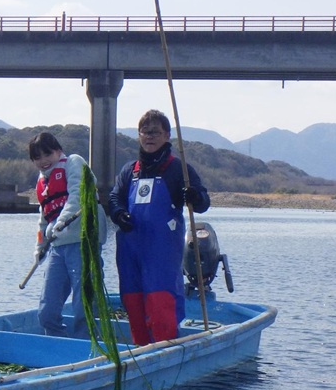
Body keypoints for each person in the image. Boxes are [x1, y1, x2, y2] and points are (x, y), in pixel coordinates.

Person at [108, 109, 211, 345]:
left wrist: (193, 196)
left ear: (167, 135)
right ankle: (140, 348)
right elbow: (115, 198)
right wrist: (118, 213)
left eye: (155, 132)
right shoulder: (129, 170)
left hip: (161, 250)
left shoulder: (178, 169)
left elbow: (203, 203)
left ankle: (165, 349)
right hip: (129, 248)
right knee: (133, 301)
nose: (149, 137)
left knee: (160, 301)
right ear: (138, 135)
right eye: (144, 132)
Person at [28, 132, 106, 338]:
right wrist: (40, 247)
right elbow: (44, 218)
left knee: (84, 303)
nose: (43, 161)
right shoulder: (42, 181)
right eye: (37, 157)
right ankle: (56, 343)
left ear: (58, 151)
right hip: (58, 247)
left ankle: (87, 343)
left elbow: (78, 195)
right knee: (47, 310)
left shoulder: (73, 163)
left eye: (48, 154)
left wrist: (63, 221)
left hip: (83, 241)